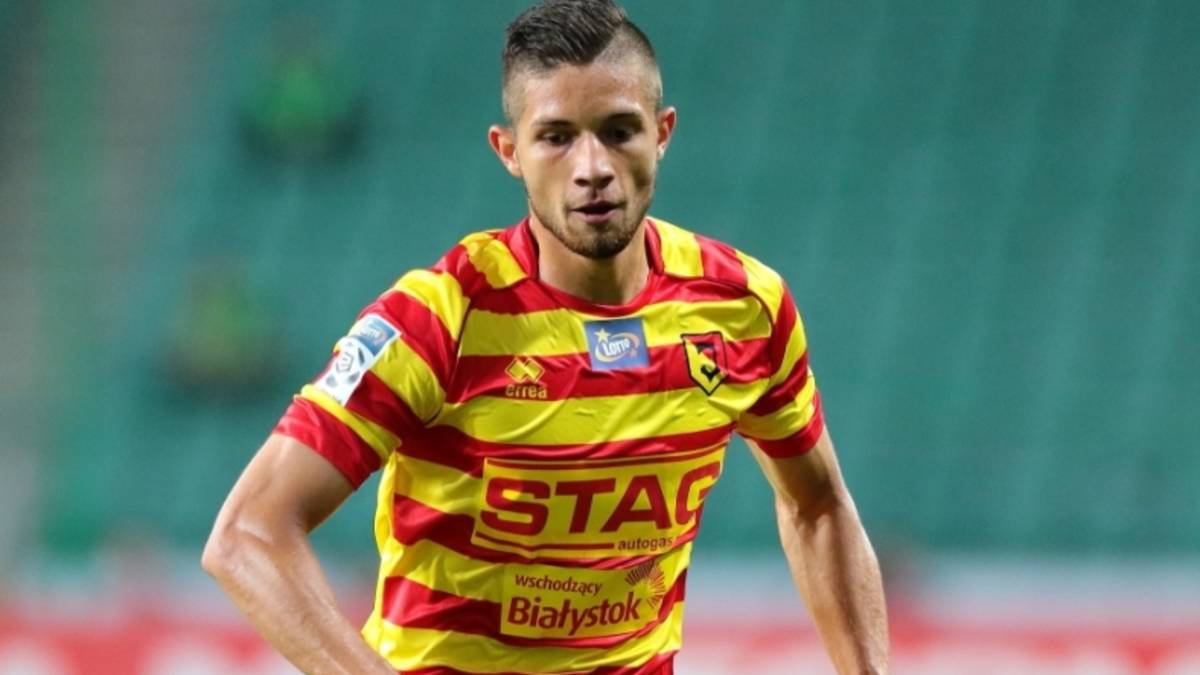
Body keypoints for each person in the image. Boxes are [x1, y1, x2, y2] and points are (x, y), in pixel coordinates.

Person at [202, 1, 890, 673]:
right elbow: (247, 534)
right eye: (557, 137)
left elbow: (819, 506)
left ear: (663, 132)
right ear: (509, 151)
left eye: (619, 131)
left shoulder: (742, 306)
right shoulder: (438, 318)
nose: (592, 167)